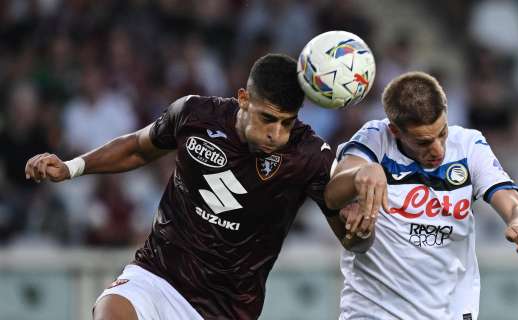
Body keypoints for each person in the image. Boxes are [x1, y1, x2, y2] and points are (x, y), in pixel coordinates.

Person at [24, 54, 374, 320]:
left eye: (287, 123)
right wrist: (71, 167)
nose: (276, 134)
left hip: (227, 309)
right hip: (157, 276)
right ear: (243, 99)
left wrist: (360, 224)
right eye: (268, 118)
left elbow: (349, 235)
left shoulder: (310, 155)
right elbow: (137, 147)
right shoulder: (195, 115)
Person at [324, 71, 518, 320]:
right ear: (396, 131)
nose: (437, 150)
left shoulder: (468, 145)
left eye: (442, 133)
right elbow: (332, 195)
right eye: (423, 142)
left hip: (449, 311)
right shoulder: (375, 139)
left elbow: (514, 204)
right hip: (374, 310)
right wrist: (360, 174)